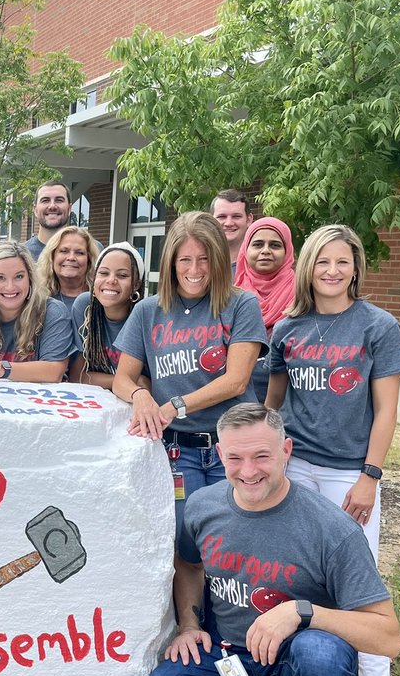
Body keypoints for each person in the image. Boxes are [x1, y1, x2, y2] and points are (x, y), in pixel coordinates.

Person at [131, 404, 400, 676]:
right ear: (220, 455)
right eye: (235, 458)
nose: (248, 471)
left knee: (324, 659)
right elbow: (188, 565)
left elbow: (388, 637)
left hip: (292, 659)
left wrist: (301, 611)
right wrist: (188, 622)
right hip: (226, 651)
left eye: (261, 456)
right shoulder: (203, 506)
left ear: (286, 450)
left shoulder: (332, 530)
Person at [266, 224, 400, 676]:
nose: (332, 271)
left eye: (342, 262)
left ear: (356, 266)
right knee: (289, 573)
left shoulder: (378, 327)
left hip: (347, 473)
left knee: (361, 585)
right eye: (322, 262)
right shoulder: (289, 328)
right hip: (296, 468)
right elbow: (274, 403)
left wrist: (370, 476)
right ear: (307, 267)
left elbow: (386, 411)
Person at [111, 212, 267, 539]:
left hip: (235, 446)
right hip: (179, 451)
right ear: (170, 262)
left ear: (219, 261)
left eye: (204, 259)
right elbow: (122, 379)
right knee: (187, 546)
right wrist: (141, 396)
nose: (194, 270)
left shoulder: (241, 305)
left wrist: (172, 406)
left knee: (236, 542)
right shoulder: (148, 311)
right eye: (185, 260)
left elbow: (236, 380)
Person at [0, 241, 76, 383]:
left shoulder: (53, 313)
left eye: (19, 277)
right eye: (0, 278)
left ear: (30, 278)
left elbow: (54, 371)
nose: (10, 287)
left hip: (42, 401)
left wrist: (1, 368)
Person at [234, 216, 296, 403]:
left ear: (287, 251)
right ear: (246, 250)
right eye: (258, 244)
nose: (266, 251)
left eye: (275, 245)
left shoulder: (304, 294)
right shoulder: (230, 295)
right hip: (235, 403)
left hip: (288, 405)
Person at [69, 243, 146, 389]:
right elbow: (77, 376)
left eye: (122, 275)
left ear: (136, 285)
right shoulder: (85, 307)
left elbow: (150, 383)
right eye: (103, 273)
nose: (111, 280)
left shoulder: (147, 315)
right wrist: (126, 382)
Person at [36, 225, 96, 310]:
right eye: (64, 251)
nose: (71, 258)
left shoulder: (100, 300)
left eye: (79, 253)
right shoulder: (38, 300)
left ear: (89, 260)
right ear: (52, 257)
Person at [25, 181, 72, 260]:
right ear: (35, 210)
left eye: (59, 200)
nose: (52, 206)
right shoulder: (22, 254)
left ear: (69, 208)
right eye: (45, 200)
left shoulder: (91, 249)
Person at [211, 189, 254, 275]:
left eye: (236, 216)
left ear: (249, 220)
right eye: (222, 217)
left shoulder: (260, 263)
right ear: (211, 220)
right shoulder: (202, 263)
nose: (229, 223)